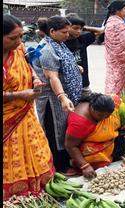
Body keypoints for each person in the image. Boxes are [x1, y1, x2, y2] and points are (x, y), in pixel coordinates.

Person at [3, 14, 55, 200]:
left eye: (21, 36)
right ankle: (14, 196)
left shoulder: (19, 49)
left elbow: (27, 65)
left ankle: (36, 190)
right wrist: (20, 95)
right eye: (12, 38)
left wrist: (34, 78)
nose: (18, 42)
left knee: (34, 149)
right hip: (7, 120)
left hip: (26, 115)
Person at [32, 16, 83, 174]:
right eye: (64, 32)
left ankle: (64, 160)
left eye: (68, 32)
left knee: (63, 129)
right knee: (55, 130)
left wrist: (76, 68)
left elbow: (64, 64)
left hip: (60, 95)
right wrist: (62, 97)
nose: (68, 35)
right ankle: (60, 167)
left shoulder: (58, 43)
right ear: (52, 31)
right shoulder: (47, 49)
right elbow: (52, 76)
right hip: (51, 99)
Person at [65, 93, 125, 178]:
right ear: (92, 108)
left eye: (107, 116)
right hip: (88, 144)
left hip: (109, 138)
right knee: (95, 157)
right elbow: (70, 145)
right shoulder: (80, 122)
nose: (103, 118)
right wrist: (85, 166)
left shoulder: (114, 103)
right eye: (100, 115)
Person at [64, 13, 104, 96]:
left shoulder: (82, 39)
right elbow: (40, 32)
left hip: (83, 83)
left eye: (80, 29)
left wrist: (84, 27)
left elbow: (101, 31)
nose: (78, 31)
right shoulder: (60, 42)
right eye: (75, 28)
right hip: (66, 85)